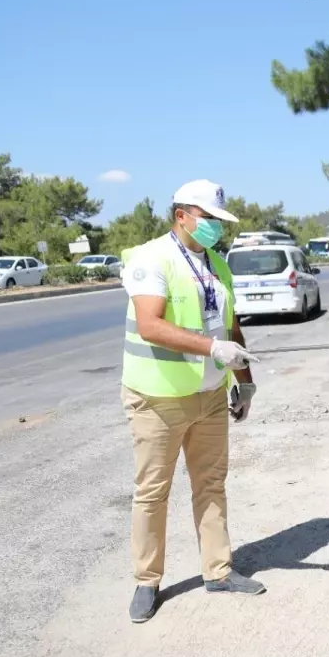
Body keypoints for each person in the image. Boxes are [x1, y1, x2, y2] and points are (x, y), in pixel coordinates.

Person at [120, 179, 265, 624]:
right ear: (181, 215)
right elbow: (150, 325)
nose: (215, 228)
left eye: (219, 221)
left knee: (211, 484)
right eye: (208, 218)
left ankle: (218, 571)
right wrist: (210, 349)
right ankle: (147, 581)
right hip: (159, 397)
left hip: (209, 395)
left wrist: (245, 380)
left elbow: (230, 327)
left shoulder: (218, 265)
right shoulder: (151, 258)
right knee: (152, 492)